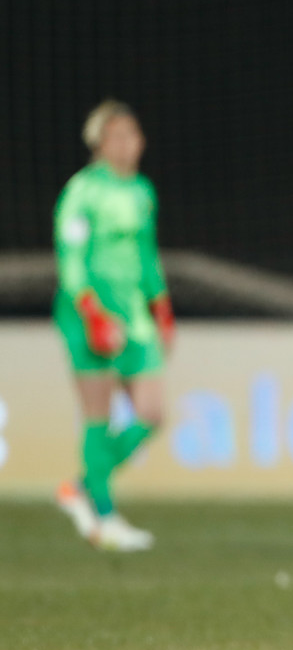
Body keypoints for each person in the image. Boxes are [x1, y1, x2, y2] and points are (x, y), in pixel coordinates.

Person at [52, 99, 175, 552]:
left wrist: (160, 306)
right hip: (88, 316)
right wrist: (92, 313)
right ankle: (103, 517)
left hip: (135, 318)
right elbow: (70, 260)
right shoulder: (82, 192)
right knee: (98, 418)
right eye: (118, 136)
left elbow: (147, 255)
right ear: (99, 143)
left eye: (134, 135)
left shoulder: (143, 192)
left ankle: (81, 486)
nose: (128, 145)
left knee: (152, 413)